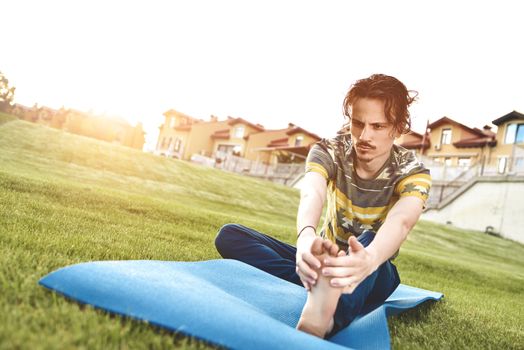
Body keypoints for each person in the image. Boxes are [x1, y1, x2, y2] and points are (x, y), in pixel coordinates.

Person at [214, 74, 431, 339]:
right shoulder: (329, 150)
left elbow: (402, 221)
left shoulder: (412, 171)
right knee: (230, 235)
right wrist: (306, 238)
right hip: (324, 259)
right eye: (358, 123)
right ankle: (318, 283)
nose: (364, 135)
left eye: (377, 126)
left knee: (369, 239)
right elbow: (312, 192)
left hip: (373, 269)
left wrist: (370, 259)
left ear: (397, 129)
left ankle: (325, 318)